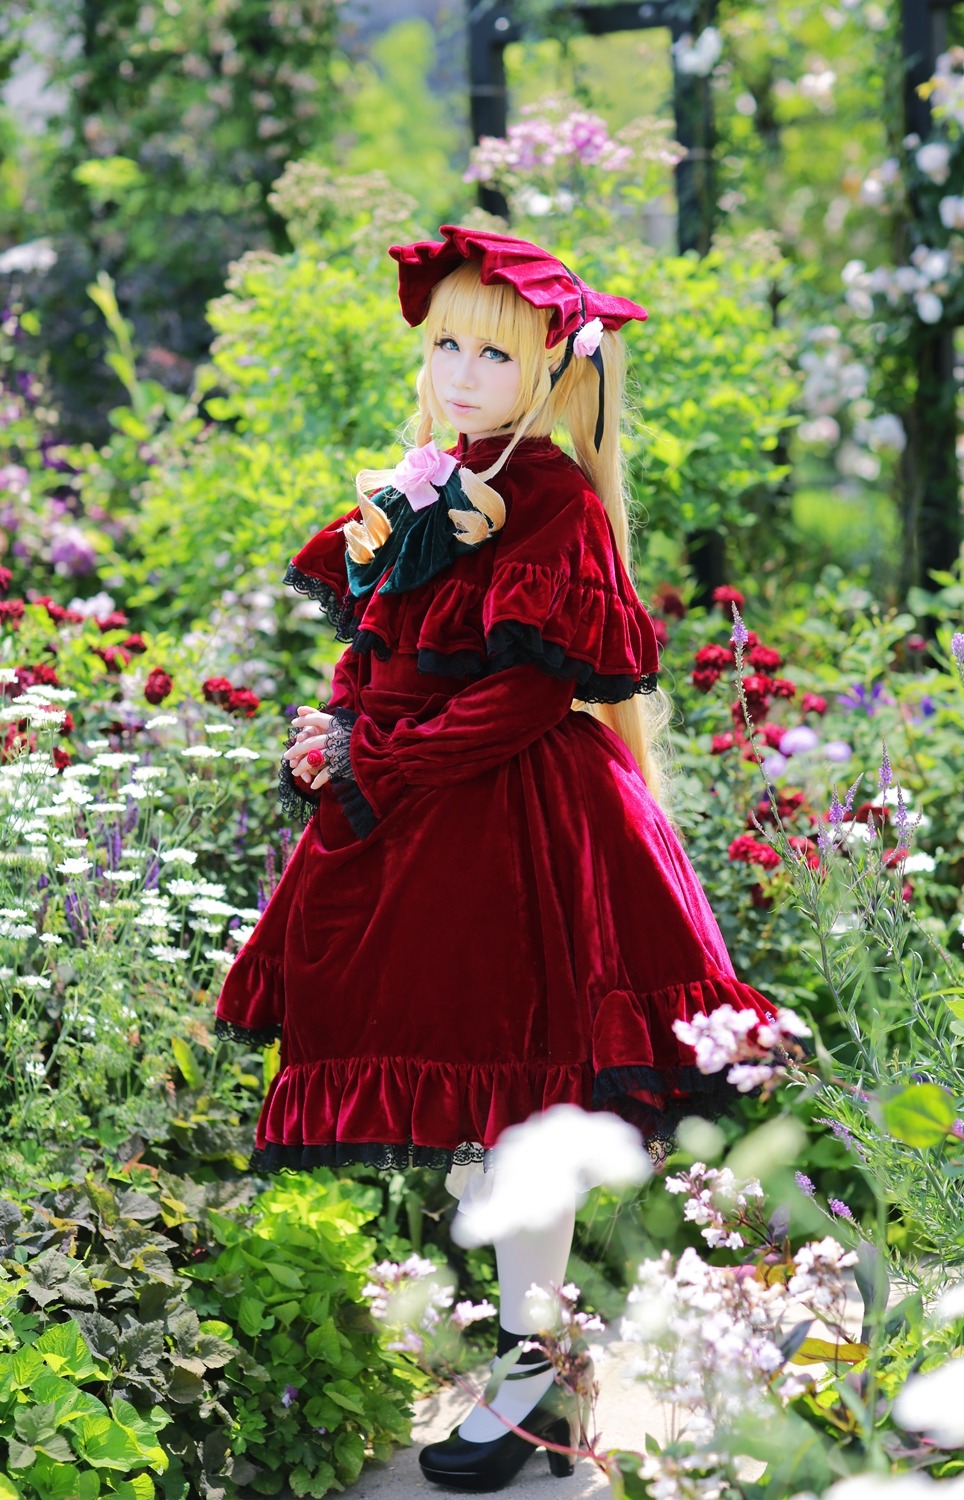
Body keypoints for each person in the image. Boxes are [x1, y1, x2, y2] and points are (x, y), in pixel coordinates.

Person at [215, 225, 776, 1491]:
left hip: (517, 831)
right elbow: (381, 645)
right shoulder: (420, 487)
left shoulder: (556, 500)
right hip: (425, 831)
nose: (461, 371)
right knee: (478, 1101)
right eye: (446, 344)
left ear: (552, 365)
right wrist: (344, 721)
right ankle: (540, 1356)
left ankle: (536, 1370)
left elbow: (527, 693)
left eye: (492, 350)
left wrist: (388, 764)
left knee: (516, 1093)